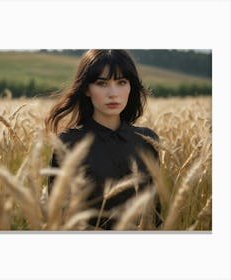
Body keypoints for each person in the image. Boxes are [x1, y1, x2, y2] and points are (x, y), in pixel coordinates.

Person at [44, 49, 161, 230]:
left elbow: (154, 213)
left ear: (131, 87)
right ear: (86, 89)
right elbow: (56, 215)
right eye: (102, 83)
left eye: (121, 82)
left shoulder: (146, 140)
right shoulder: (68, 143)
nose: (113, 93)